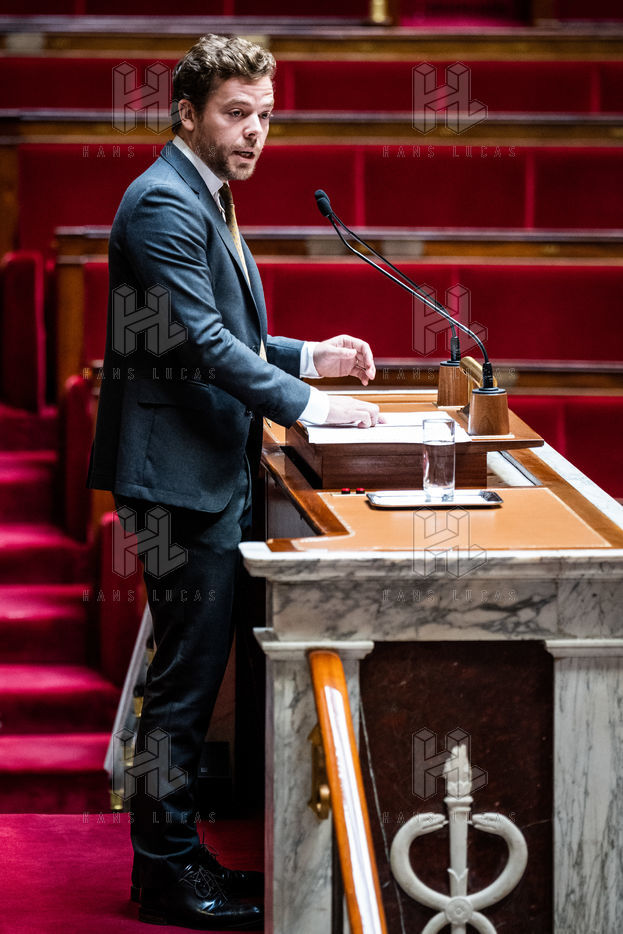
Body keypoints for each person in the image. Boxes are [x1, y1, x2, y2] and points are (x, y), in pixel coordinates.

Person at [88, 33, 381, 931]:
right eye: (236, 113)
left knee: (194, 677)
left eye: (264, 115)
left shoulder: (202, 193)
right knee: (182, 685)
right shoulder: (161, 203)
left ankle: (177, 855)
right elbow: (204, 344)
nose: (255, 132)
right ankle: (164, 872)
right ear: (187, 114)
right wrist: (313, 407)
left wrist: (308, 354)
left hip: (205, 466)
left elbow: (228, 333)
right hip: (175, 477)